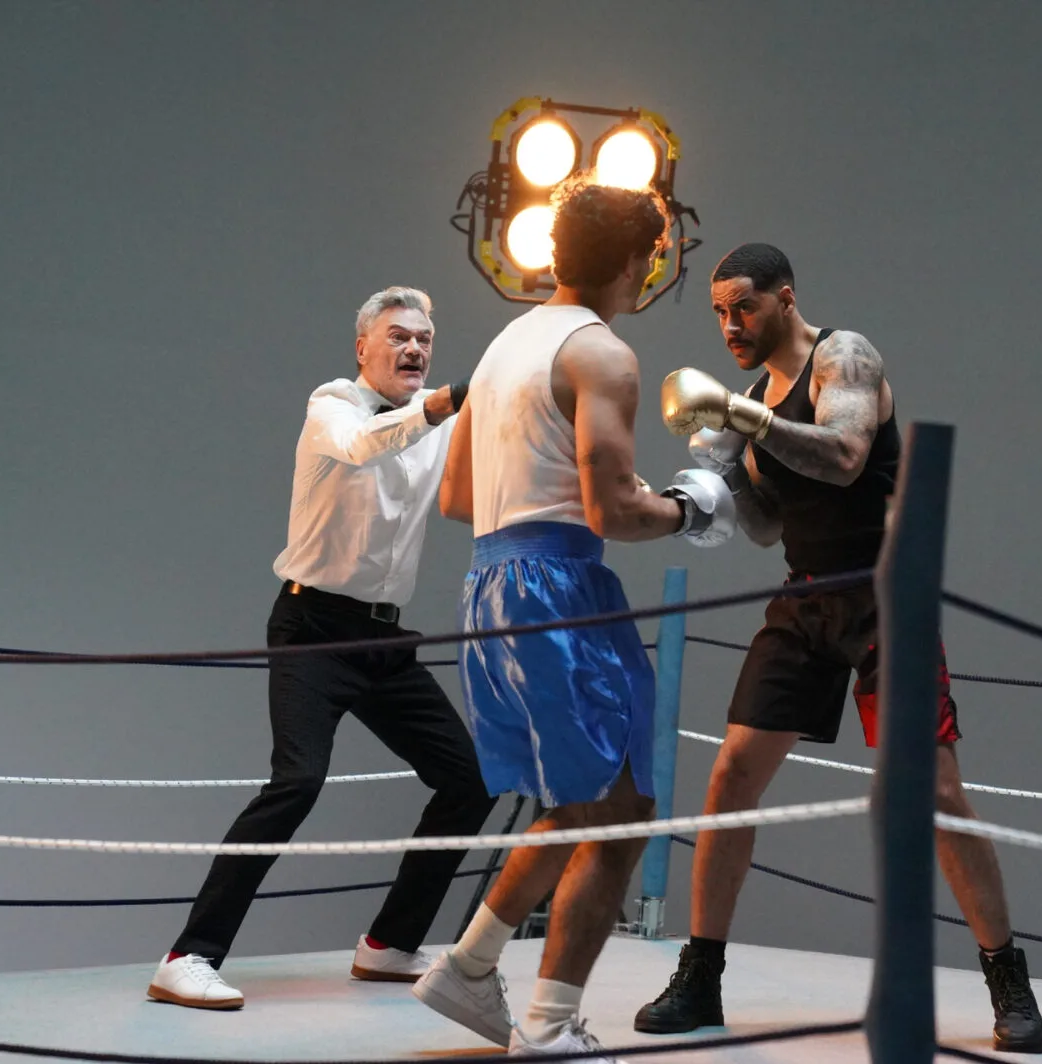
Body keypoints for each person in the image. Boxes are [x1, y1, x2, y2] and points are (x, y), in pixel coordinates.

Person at [637, 243, 1042, 1054]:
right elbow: (766, 528)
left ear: (785, 299)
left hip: (885, 596)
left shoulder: (843, 357)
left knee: (935, 791)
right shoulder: (752, 399)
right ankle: (700, 976)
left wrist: (745, 420)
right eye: (719, 313)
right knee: (731, 776)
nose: (730, 325)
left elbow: (845, 457)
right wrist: (719, 477)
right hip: (805, 597)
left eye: (744, 307)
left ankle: (1009, 980)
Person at [408, 180, 735, 1061]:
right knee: (619, 810)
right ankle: (548, 1023)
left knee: (588, 801)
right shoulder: (603, 355)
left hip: (489, 587)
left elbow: (456, 497)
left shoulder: (502, 347)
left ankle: (472, 964)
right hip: (559, 591)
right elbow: (612, 513)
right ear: (639, 262)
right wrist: (690, 506)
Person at [147, 286, 497, 1010]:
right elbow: (365, 444)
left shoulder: (436, 420)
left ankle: (389, 944)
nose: (414, 349)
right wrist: (444, 404)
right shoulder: (333, 405)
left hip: (384, 638)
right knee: (297, 783)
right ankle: (188, 956)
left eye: (424, 340)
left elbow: (474, 489)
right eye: (398, 336)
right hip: (312, 630)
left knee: (470, 781)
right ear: (362, 347)